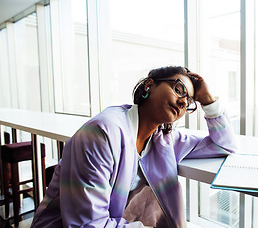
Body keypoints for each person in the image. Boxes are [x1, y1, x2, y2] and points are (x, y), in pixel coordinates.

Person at [30, 66, 239, 228]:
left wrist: (208, 101)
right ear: (149, 85)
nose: (183, 102)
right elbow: (87, 225)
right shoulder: (101, 134)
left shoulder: (164, 139)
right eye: (179, 89)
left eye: (190, 101)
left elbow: (225, 145)